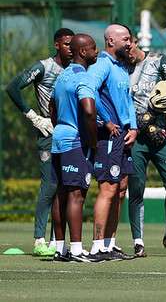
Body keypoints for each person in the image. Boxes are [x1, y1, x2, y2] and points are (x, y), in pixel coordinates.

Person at [6, 27, 74, 256]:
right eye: (66, 44)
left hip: (71, 135)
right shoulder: (44, 67)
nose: (70, 48)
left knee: (68, 187)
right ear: (57, 45)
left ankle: (59, 241)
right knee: (50, 186)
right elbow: (13, 87)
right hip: (48, 134)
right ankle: (38, 240)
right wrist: (34, 117)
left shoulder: (76, 69)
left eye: (72, 44)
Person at [126, 36, 166, 257]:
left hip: (161, 134)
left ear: (135, 41)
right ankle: (138, 242)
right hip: (136, 137)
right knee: (136, 187)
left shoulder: (158, 61)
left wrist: (152, 111)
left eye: (129, 46)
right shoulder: (120, 68)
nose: (127, 52)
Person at [87, 24, 138, 260]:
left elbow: (128, 100)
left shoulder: (121, 67)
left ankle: (109, 244)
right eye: (126, 39)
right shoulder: (102, 65)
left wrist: (135, 127)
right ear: (110, 41)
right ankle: (97, 246)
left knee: (120, 190)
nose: (130, 43)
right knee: (107, 188)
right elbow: (89, 91)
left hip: (125, 134)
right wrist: (106, 121)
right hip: (110, 135)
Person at [49, 34, 98, 262]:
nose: (96, 52)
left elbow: (51, 105)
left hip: (58, 138)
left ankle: (60, 248)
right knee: (76, 195)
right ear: (83, 52)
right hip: (74, 141)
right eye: (93, 48)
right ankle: (77, 250)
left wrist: (61, 124)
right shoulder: (83, 77)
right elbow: (88, 110)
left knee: (61, 194)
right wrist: (92, 140)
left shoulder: (63, 75)